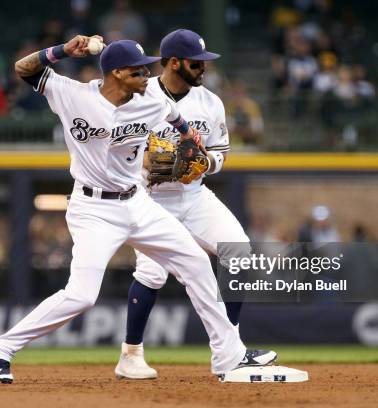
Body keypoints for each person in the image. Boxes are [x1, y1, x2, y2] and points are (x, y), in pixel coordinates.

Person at [0, 34, 276, 384]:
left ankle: (228, 357)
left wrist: (191, 143)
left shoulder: (149, 99)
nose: (147, 77)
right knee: (81, 296)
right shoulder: (73, 94)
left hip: (138, 202)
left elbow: (176, 118)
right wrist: (61, 51)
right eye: (139, 72)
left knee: (196, 263)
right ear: (118, 73)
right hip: (93, 208)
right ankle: (0, 348)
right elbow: (23, 69)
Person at [113, 29, 273, 380]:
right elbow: (116, 142)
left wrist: (205, 164)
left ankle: (231, 351)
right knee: (153, 273)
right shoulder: (140, 93)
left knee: (239, 251)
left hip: (194, 194)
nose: (203, 67)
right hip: (151, 197)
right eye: (196, 62)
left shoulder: (210, 101)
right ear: (173, 63)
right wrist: (143, 161)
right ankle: (131, 354)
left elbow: (220, 153)